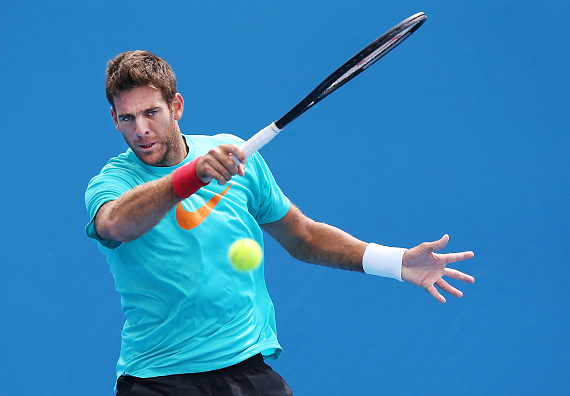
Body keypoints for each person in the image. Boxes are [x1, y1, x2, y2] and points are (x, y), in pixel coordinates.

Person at [85, 50, 474, 396]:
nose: (141, 130)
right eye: (127, 118)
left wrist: (395, 261)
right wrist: (191, 176)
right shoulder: (112, 182)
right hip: (158, 379)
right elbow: (116, 224)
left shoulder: (234, 158)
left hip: (246, 371)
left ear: (177, 106)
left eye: (151, 113)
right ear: (114, 119)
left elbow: (302, 236)